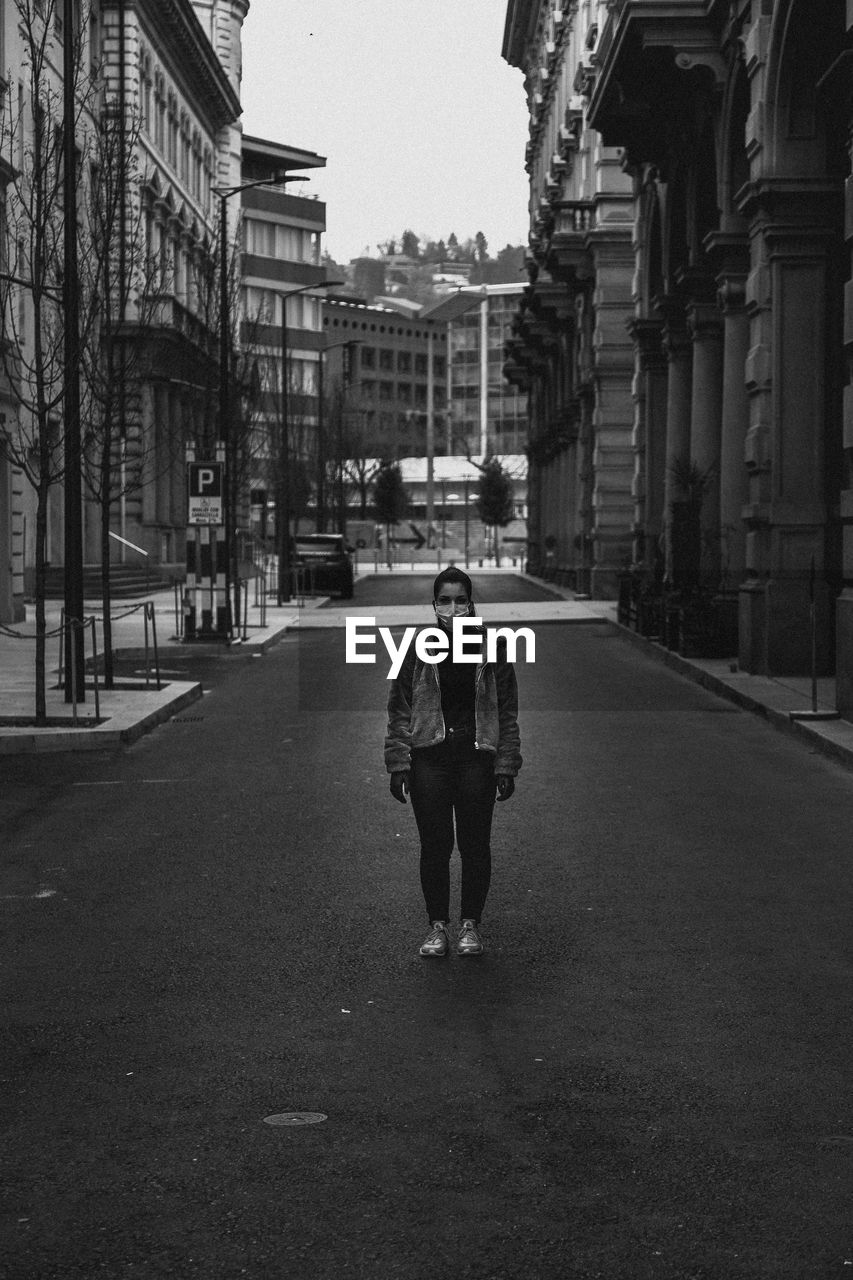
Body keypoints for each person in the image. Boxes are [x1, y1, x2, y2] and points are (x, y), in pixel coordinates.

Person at [385, 567, 522, 958]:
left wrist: (506, 763)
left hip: (476, 760)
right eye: (444, 600)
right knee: (435, 845)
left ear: (471, 602)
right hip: (430, 759)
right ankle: (437, 927)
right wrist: (398, 762)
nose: (453, 607)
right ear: (433, 604)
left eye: (460, 599)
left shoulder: (492, 648)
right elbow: (399, 708)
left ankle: (470, 926)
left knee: (475, 845)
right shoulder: (416, 648)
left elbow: (507, 710)